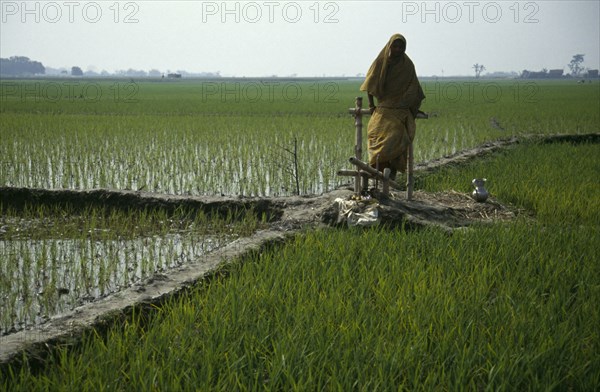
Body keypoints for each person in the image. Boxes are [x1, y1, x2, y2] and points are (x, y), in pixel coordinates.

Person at [360, 33, 425, 181]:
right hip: (383, 107)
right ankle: (379, 171)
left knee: (397, 134)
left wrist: (406, 104)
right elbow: (371, 84)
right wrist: (371, 105)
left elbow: (414, 89)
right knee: (375, 133)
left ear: (404, 48)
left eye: (400, 46)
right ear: (389, 47)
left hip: (401, 109)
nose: (397, 49)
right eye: (395, 46)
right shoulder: (381, 62)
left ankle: (390, 173)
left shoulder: (407, 65)